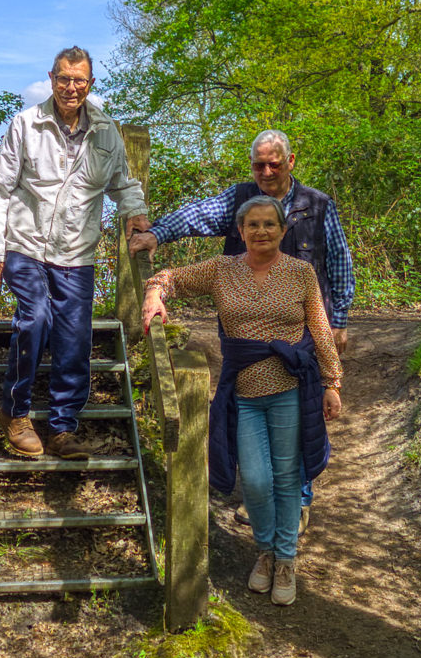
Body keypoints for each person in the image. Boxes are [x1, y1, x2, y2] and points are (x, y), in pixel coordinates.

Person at [130, 129, 354, 527]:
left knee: (300, 413)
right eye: (258, 165)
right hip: (242, 335)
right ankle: (259, 494)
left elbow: (339, 263)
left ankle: (297, 499)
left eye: (274, 164)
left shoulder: (318, 205)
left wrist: (337, 322)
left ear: (290, 162)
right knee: (248, 413)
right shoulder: (238, 200)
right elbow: (197, 215)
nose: (266, 172)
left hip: (299, 330)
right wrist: (155, 234)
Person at [142, 195, 341, 605]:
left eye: (269, 224)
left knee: (287, 477)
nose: (261, 231)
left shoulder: (301, 273)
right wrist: (154, 294)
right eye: (253, 224)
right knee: (253, 480)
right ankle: (265, 550)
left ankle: (284, 560)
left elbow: (320, 329)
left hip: (290, 390)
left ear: (283, 230)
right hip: (243, 394)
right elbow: (169, 277)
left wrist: (332, 382)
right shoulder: (221, 270)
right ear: (241, 230)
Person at [0, 47, 148, 459]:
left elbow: (122, 183)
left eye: (79, 80)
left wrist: (135, 212)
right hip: (26, 245)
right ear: (51, 78)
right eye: (63, 78)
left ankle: (62, 427)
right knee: (35, 318)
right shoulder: (26, 123)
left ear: (90, 84)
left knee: (74, 339)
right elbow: (0, 188)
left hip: (77, 253)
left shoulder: (106, 131)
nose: (71, 87)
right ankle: (15, 413)